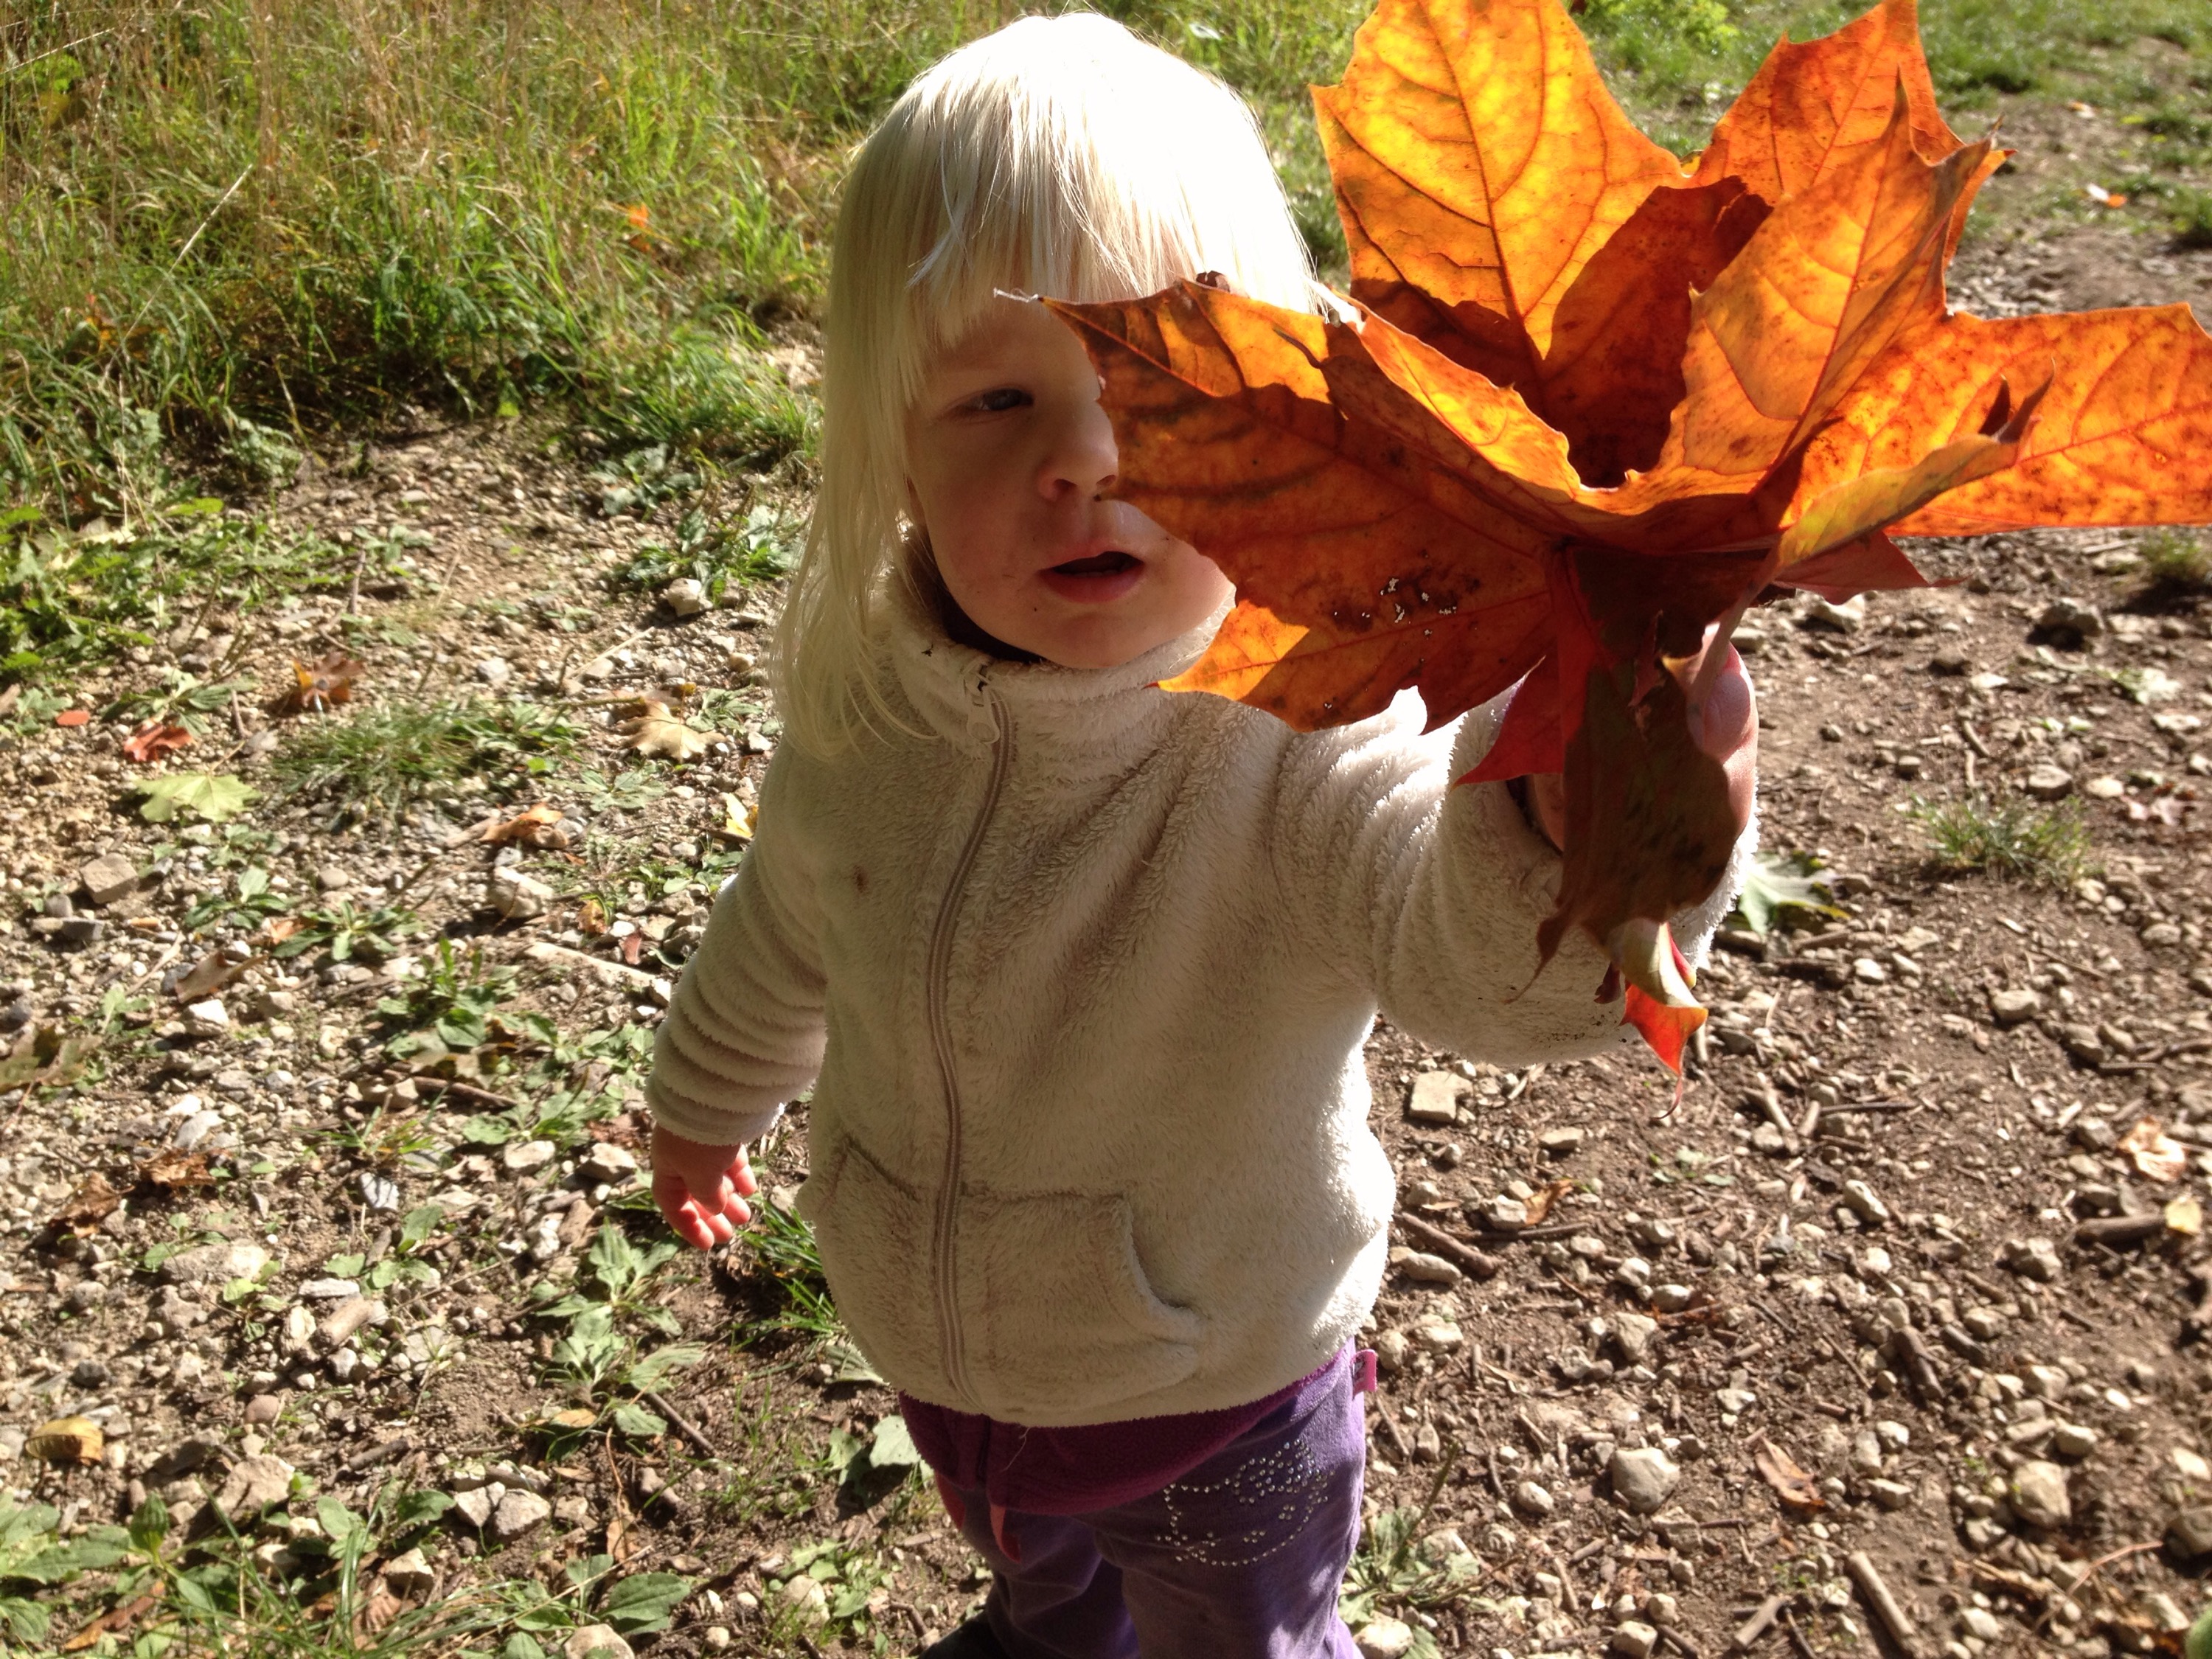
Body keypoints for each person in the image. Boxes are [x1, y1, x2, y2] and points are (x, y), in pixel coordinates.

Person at [644, 14, 1759, 1658]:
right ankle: (1046, 1618)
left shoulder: (1300, 726)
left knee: (1234, 1639)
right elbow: (785, 920)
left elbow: (1475, 965)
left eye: (1160, 400)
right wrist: (701, 1099)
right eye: (996, 398)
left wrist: (1584, 805)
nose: (1083, 458)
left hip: (1215, 1405)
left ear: (1291, 425)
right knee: (1042, 1584)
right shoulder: (873, 708)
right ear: (892, 444)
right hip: (950, 1371)